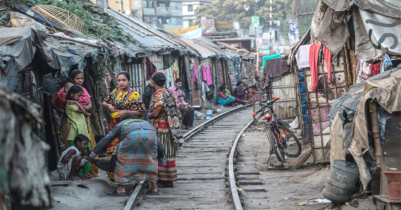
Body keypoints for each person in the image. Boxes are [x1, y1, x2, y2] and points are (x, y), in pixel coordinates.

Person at [89, 114, 166, 196]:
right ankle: (154, 188)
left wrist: (92, 154)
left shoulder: (121, 124)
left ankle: (121, 189)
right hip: (150, 134)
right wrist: (162, 158)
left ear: (124, 120)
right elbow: (160, 146)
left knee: (123, 159)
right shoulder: (147, 124)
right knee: (150, 158)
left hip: (132, 136)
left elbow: (106, 139)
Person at [101, 71, 145, 181]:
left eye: (124, 80)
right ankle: (114, 175)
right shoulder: (115, 92)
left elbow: (141, 111)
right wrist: (109, 105)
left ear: (129, 81)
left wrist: (125, 112)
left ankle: (129, 174)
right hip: (114, 124)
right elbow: (103, 102)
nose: (121, 82)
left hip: (128, 125)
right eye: (119, 80)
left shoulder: (135, 95)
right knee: (113, 148)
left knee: (128, 149)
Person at [55, 69, 98, 177]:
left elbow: (89, 105)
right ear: (71, 79)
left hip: (83, 126)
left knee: (87, 149)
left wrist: (84, 108)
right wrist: (75, 107)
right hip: (74, 126)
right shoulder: (66, 97)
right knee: (75, 150)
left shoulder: (83, 91)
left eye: (81, 78)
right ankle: (74, 174)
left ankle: (86, 172)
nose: (80, 80)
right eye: (77, 78)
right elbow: (55, 102)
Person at [148, 72, 183, 188]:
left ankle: (164, 179)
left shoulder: (159, 95)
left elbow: (156, 112)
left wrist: (149, 115)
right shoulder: (168, 92)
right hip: (170, 127)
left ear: (153, 82)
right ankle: (169, 178)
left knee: (162, 152)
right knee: (168, 152)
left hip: (161, 127)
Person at [64, 85, 92, 179]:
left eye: (81, 96)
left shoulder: (73, 103)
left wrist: (76, 102)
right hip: (75, 131)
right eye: (78, 96)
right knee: (77, 154)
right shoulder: (70, 105)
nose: (80, 98)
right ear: (72, 94)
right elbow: (83, 110)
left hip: (82, 130)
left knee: (86, 152)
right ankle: (79, 174)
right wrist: (77, 103)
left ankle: (85, 172)